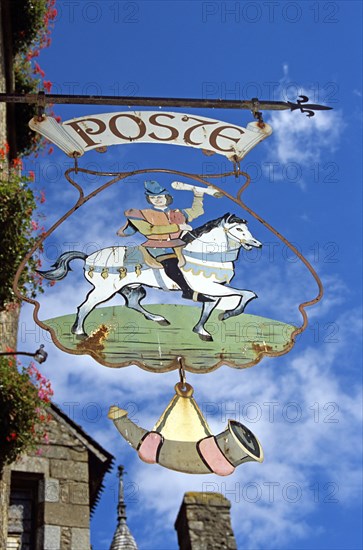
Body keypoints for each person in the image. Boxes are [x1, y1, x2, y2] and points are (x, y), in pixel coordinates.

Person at [117, 180, 212, 302]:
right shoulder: (144, 214)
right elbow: (149, 230)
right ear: (149, 199)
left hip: (178, 244)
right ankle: (187, 291)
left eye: (160, 197)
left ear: (166, 197)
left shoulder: (177, 213)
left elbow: (197, 211)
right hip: (157, 246)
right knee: (170, 261)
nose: (157, 199)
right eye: (153, 197)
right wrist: (177, 227)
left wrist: (198, 196)